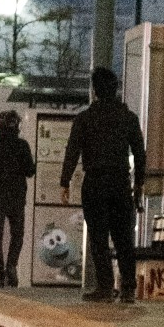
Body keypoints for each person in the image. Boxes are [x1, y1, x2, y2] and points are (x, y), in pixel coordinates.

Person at [60, 67, 146, 304]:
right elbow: (140, 153)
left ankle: (105, 287)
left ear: (95, 91)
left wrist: (65, 181)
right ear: (116, 89)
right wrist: (138, 184)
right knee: (123, 238)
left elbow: (72, 151)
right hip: (120, 182)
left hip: (95, 182)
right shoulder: (128, 118)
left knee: (98, 238)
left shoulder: (85, 118)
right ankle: (128, 287)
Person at [0, 109, 36, 287]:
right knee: (17, 234)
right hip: (16, 197)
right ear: (16, 125)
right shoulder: (22, 145)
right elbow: (30, 171)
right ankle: (11, 265)